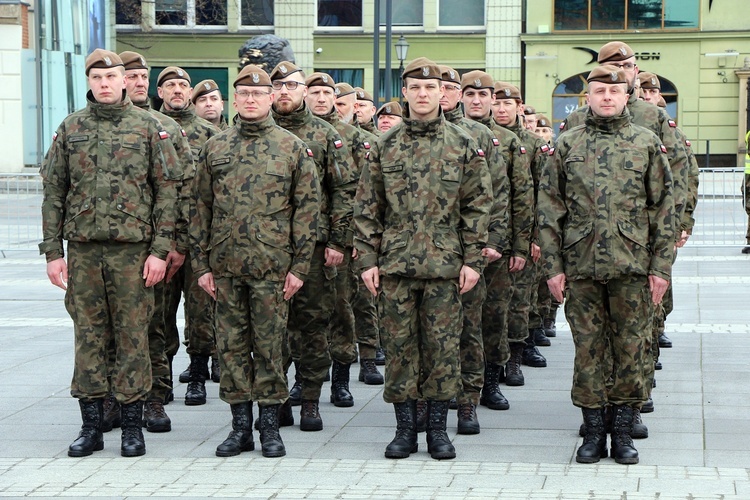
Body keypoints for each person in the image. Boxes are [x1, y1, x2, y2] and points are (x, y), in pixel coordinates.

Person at [40, 49, 180, 458]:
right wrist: (52, 251)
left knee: (134, 336)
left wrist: (160, 250)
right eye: (97, 77)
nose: (104, 84)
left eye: (111, 76)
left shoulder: (148, 127)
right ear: (89, 82)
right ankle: (91, 426)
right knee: (88, 337)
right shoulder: (71, 128)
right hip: (82, 252)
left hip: (133, 254)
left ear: (125, 81)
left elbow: (166, 193)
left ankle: (132, 428)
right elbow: (53, 193)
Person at [353, 57, 492, 460]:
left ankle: (437, 430)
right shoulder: (384, 145)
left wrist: (472, 261)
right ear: (405, 93)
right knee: (399, 349)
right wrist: (367, 261)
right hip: (395, 267)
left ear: (443, 94)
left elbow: (478, 206)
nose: (423, 94)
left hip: (447, 266)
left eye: (430, 88)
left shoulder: (464, 144)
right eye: (415, 87)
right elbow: (366, 209)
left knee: (443, 349)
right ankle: (404, 430)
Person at [538, 65, 674, 465]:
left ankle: (623, 431)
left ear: (626, 95)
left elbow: (663, 210)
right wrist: (553, 267)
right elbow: (549, 210)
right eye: (599, 92)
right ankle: (594, 431)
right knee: (588, 351)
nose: (607, 98)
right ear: (589, 97)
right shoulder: (568, 144)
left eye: (614, 92)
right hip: (580, 268)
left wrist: (661, 268)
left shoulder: (646, 143)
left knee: (631, 349)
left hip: (633, 267)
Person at [191, 64, 320, 458]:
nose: (250, 99)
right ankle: (239, 429)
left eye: (258, 94)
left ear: (269, 98)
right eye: (244, 93)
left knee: (270, 348)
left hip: (272, 270)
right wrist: (201, 266)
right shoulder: (216, 146)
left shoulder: (291, 147)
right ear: (236, 99)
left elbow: (307, 209)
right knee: (230, 348)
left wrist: (299, 268)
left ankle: (269, 429)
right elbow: (200, 208)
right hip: (225, 269)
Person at [270, 61, 356, 431]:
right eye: (279, 85)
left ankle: (309, 398)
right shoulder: (253, 130)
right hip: (266, 248)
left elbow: (344, 191)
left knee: (312, 324)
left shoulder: (323, 135)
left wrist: (339, 240)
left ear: (303, 91)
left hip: (315, 248)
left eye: (292, 85)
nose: (285, 91)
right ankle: (276, 398)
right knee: (269, 328)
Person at [118, 50, 194, 433]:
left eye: (142, 76)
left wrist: (175, 244)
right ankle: (113, 399)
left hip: (153, 248)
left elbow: (182, 188)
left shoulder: (164, 127)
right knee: (109, 331)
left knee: (153, 325)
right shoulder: (89, 126)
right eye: (131, 76)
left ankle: (154, 398)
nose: (138, 82)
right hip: (110, 249)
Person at [438, 66, 510, 434]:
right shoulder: (405, 136)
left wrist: (492, 242)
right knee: (430, 333)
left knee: (471, 326)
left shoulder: (480, 135)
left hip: (471, 251)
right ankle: (429, 400)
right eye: (446, 88)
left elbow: (496, 195)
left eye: (452, 88)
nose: (448, 94)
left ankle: (469, 399)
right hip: (426, 254)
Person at [461, 72, 534, 411]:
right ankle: (461, 386)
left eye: (483, 95)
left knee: (494, 315)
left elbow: (519, 196)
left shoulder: (506, 141)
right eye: (470, 94)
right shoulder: (456, 133)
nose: (477, 100)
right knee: (461, 320)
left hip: (497, 249)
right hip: (461, 247)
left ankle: (490, 382)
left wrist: (515, 246)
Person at [157, 66, 221, 406]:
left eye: (183, 85)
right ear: (161, 92)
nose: (177, 90)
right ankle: (162, 377)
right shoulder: (151, 128)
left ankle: (197, 375)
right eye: (170, 85)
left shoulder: (210, 135)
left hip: (198, 241)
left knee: (200, 313)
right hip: (162, 242)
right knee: (160, 313)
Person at [492, 81, 551, 382]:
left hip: (524, 234)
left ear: (519, 106)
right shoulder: (483, 137)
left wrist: (537, 237)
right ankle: (493, 364)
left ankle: (515, 357)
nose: (502, 109)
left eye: (508, 103)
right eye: (497, 103)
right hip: (493, 235)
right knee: (492, 307)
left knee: (519, 301)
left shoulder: (534, 145)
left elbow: (544, 193)